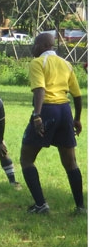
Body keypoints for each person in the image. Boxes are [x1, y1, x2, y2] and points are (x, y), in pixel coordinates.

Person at [19, 32, 84, 214]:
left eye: (34, 44)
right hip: (65, 110)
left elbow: (40, 90)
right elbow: (77, 95)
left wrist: (37, 115)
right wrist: (77, 118)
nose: (33, 48)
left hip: (47, 109)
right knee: (70, 162)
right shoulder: (66, 64)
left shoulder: (38, 63)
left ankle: (41, 205)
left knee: (26, 158)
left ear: (42, 45)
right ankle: (80, 207)